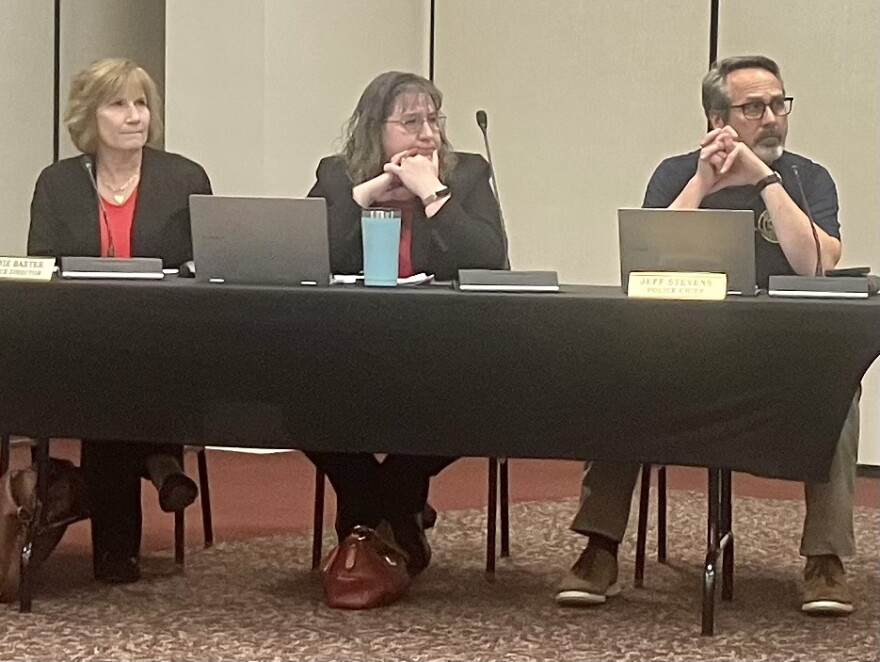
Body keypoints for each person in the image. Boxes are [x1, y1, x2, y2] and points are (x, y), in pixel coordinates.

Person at [556, 55, 860, 616]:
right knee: (618, 379)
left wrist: (765, 181)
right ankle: (599, 549)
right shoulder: (676, 173)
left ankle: (825, 562)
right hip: (683, 356)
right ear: (719, 119)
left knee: (840, 393)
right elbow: (651, 261)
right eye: (754, 108)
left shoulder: (806, 177)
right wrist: (704, 181)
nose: (771, 118)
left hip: (783, 363)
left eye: (778, 104)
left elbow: (817, 264)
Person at [305, 70, 507, 576]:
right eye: (411, 122)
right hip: (348, 350)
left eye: (433, 121)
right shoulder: (336, 175)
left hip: (440, 351)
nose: (427, 134)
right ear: (376, 130)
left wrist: (434, 194)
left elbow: (489, 259)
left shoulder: (467, 175)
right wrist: (366, 194)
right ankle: (397, 511)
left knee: (469, 402)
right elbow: (308, 253)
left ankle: (364, 518)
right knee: (297, 396)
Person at [28, 57, 212, 583]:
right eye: (119, 104)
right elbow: (41, 265)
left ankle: (116, 548)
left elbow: (206, 264)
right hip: (80, 339)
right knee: (106, 369)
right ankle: (158, 458)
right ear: (90, 117)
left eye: (141, 104)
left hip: (166, 340)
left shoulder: (183, 177)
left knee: (118, 376)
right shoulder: (58, 183)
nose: (135, 116)